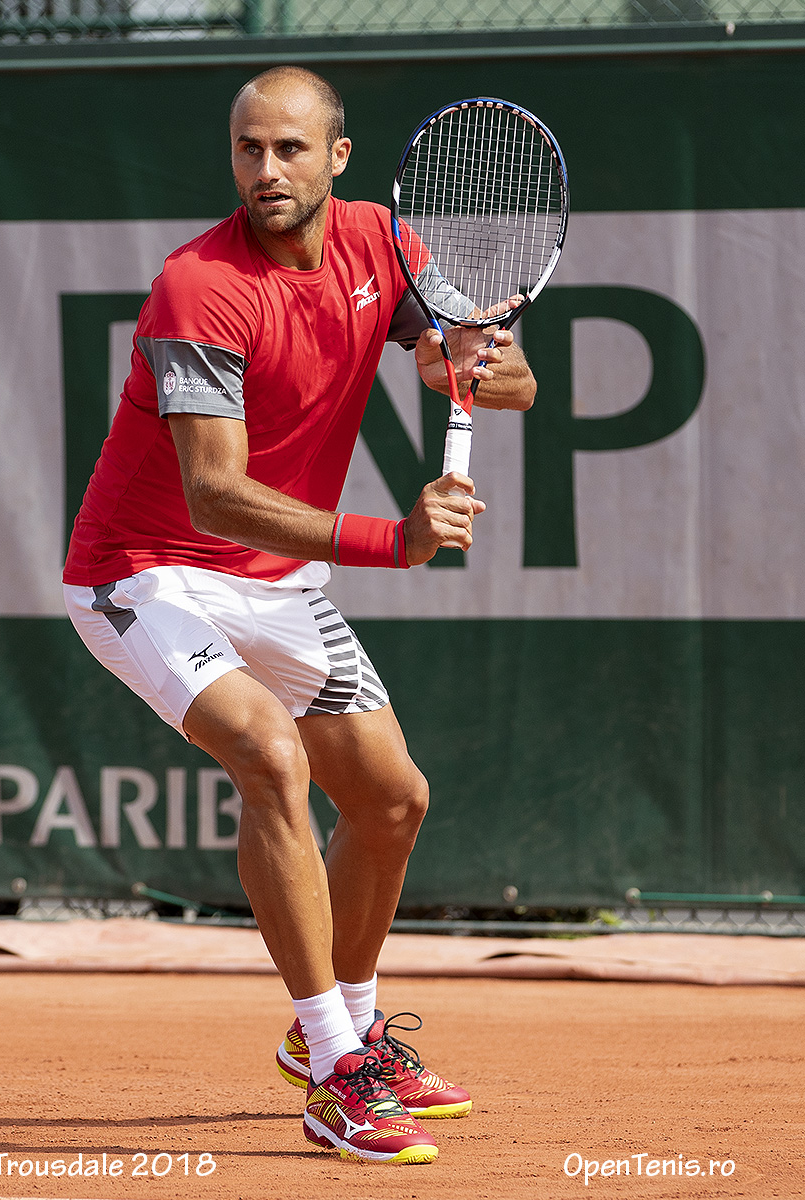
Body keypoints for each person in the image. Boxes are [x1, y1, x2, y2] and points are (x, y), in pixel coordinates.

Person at [63, 65, 536, 1165]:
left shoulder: (386, 242)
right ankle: (333, 1072)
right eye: (248, 149)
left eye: (288, 149)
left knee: (390, 801)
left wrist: (473, 361)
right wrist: (392, 539)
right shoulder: (198, 287)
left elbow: (503, 380)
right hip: (143, 575)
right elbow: (213, 493)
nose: (265, 170)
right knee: (270, 755)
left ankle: (350, 1029)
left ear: (337, 158)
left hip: (272, 585)